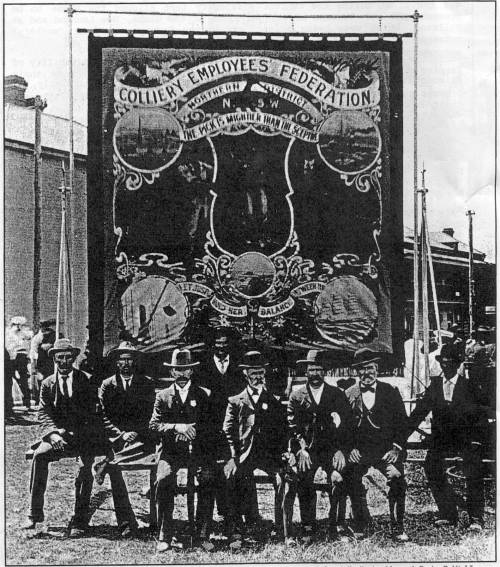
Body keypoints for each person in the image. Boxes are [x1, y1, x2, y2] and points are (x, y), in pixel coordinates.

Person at [23, 338, 104, 536]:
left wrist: (73, 434)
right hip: (57, 438)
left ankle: (80, 519)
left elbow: (93, 414)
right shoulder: (48, 384)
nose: (64, 362)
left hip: (83, 437)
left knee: (85, 468)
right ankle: (34, 514)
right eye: (60, 358)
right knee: (39, 456)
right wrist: (52, 434)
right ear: (54, 359)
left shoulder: (86, 380)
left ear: (74, 358)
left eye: (68, 357)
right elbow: (43, 413)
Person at [407, 343, 487, 531]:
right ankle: (448, 513)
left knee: (474, 467)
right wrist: (398, 437)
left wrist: (477, 439)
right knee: (431, 466)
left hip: (466, 439)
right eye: (443, 363)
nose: (446, 367)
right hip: (442, 440)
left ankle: (476, 517)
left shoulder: (470, 387)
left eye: (450, 363)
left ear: (457, 364)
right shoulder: (434, 386)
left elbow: (482, 415)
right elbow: (418, 413)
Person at [223, 350, 294, 545]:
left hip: (269, 456)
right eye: (253, 373)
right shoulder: (235, 401)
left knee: (284, 480)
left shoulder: (274, 400)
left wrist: (285, 452)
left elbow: (284, 430)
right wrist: (232, 457)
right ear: (245, 374)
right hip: (244, 455)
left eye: (261, 372)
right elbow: (228, 432)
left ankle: (284, 532)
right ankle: (236, 532)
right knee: (232, 477)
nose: (258, 377)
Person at [149, 348, 215, 552]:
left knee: (208, 477)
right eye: (178, 370)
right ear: (171, 373)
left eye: (186, 370)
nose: (182, 374)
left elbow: (211, 425)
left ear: (191, 372)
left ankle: (203, 533)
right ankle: (165, 534)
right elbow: (154, 425)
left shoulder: (204, 394)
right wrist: (176, 427)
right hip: (171, 451)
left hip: (198, 450)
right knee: (163, 479)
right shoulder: (162, 395)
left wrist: (194, 431)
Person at [286, 350, 354, 541]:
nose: (315, 373)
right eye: (311, 369)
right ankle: (308, 524)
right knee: (304, 478)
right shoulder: (297, 396)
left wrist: (341, 450)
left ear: (325, 372)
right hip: (307, 450)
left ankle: (337, 524)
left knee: (339, 478)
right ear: (306, 371)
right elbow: (292, 426)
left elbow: (347, 425)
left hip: (331, 450)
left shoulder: (336, 394)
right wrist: (301, 449)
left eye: (319, 370)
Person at [344, 349, 409, 542]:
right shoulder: (348, 394)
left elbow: (402, 424)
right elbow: (342, 429)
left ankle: (398, 527)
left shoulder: (390, 391)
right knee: (351, 476)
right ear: (356, 372)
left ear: (377, 369)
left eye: (370, 368)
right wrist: (350, 449)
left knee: (397, 478)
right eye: (362, 369)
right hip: (360, 452)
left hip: (384, 452)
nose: (366, 373)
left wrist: (396, 447)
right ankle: (360, 522)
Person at [96, 341, 157, 536]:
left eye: (130, 359)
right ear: (116, 363)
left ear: (135, 362)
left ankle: (156, 519)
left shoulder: (146, 383)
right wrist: (120, 434)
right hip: (116, 438)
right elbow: (101, 415)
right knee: (116, 470)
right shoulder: (107, 385)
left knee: (156, 465)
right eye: (122, 360)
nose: (126, 363)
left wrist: (136, 432)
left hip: (142, 436)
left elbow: (151, 414)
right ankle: (126, 522)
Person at [199, 328, 253, 536]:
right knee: (212, 470)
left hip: (233, 426)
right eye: (218, 343)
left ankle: (235, 516)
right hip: (211, 427)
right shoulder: (203, 366)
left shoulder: (238, 366)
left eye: (224, 343)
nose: (221, 347)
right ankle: (211, 519)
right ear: (212, 345)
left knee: (234, 468)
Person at [5, 316, 33, 410]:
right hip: (11, 358)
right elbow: (8, 346)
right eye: (16, 324)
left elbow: (28, 342)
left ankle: (27, 402)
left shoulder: (25, 334)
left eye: (20, 325)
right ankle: (9, 403)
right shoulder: (8, 333)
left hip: (21, 357)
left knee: (23, 380)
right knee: (10, 380)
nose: (18, 327)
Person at [29, 319, 56, 404]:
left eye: (46, 326)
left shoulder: (55, 335)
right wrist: (34, 365)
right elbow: (33, 352)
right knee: (42, 380)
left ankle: (52, 398)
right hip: (42, 362)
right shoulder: (37, 338)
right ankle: (42, 399)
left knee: (52, 378)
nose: (45, 328)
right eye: (43, 326)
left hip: (51, 361)